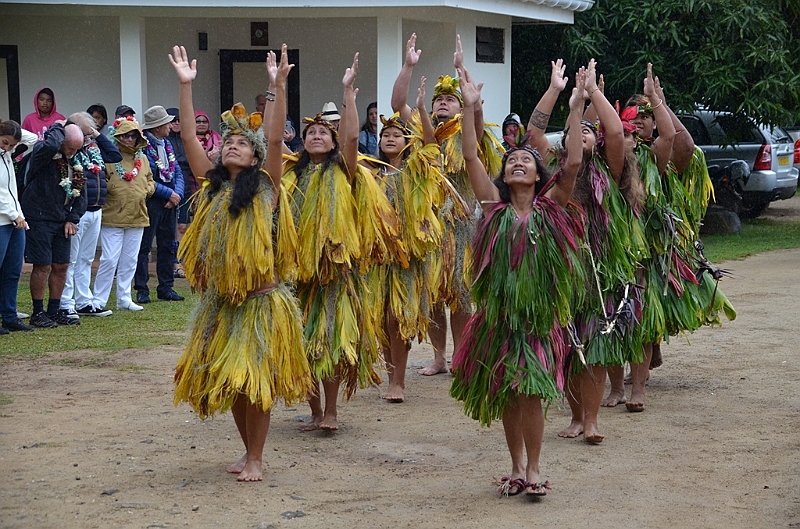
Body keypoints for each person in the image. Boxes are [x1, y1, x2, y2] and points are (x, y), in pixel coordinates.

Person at [170, 44, 311, 482]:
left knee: (255, 382)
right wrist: (186, 86)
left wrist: (277, 86)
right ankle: (247, 449)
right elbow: (188, 138)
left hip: (260, 303)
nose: (232, 147)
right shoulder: (210, 188)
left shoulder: (267, 189)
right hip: (222, 305)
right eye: (227, 143)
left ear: (254, 158)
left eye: (241, 144)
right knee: (232, 384)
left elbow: (275, 138)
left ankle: (257, 457)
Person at [449, 65, 585, 498]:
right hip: (498, 320)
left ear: (538, 174)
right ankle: (516, 466)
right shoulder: (493, 207)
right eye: (512, 161)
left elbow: (574, 161)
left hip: (539, 321)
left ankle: (536, 467)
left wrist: (576, 105)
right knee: (509, 393)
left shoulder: (552, 207)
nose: (519, 162)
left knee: (531, 392)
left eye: (526, 159)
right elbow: (471, 157)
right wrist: (470, 108)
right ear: (504, 177)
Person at [274, 53, 403, 431]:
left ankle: (330, 411)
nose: (316, 135)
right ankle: (315, 412)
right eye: (311, 132)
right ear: (302, 141)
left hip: (335, 273)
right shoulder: (290, 175)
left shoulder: (345, 171)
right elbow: (272, 140)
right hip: (297, 273)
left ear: (332, 143)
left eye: (323, 133)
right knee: (303, 344)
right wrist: (277, 86)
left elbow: (351, 137)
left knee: (328, 340)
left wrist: (348, 92)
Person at [527, 60, 639, 443]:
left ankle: (591, 421)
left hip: (598, 269)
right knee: (567, 343)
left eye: (590, 131)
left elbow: (615, 131)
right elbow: (533, 133)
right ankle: (576, 417)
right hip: (562, 266)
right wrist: (557, 91)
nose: (584, 134)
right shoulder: (555, 170)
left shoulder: (610, 169)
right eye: (578, 131)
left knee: (595, 341)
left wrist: (592, 93)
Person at [391, 33, 502, 376]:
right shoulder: (421, 131)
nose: (442, 103)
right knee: (435, 295)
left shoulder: (468, 134)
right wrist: (408, 65)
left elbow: (476, 116)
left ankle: (460, 356)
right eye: (438, 99)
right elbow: (398, 104)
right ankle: (439, 357)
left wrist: (462, 70)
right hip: (428, 226)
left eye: (449, 99)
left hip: (462, 224)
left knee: (461, 295)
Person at [360, 79, 444, 403]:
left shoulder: (415, 171)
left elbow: (432, 147)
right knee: (382, 319)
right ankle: (391, 376)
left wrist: (421, 108)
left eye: (397, 134)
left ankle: (399, 382)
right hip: (377, 258)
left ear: (408, 141)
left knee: (398, 317)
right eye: (386, 135)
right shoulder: (372, 173)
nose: (390, 138)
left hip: (407, 258)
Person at [21, 122, 86, 327]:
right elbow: (50, 145)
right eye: (70, 147)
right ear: (61, 141)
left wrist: (72, 218)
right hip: (39, 216)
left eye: (77, 149)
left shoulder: (75, 161)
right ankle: (38, 313)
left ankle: (54, 311)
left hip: (62, 218)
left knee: (61, 265)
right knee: (42, 265)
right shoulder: (44, 153)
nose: (73, 152)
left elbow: (82, 194)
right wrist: (58, 127)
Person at [60, 112, 122, 318]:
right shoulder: (69, 151)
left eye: (90, 133)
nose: (88, 138)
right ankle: (66, 302)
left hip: (96, 209)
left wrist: (96, 135)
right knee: (70, 260)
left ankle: (84, 301)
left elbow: (115, 155)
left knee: (86, 258)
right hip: (78, 211)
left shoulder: (94, 148)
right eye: (85, 133)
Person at [90, 117, 155, 313]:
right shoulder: (109, 156)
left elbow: (150, 179)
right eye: (126, 136)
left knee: (130, 260)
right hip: (113, 215)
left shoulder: (142, 159)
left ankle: (124, 298)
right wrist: (114, 188)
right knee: (109, 259)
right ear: (118, 137)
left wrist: (146, 190)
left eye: (133, 136)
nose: (129, 139)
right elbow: (101, 180)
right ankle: (99, 299)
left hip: (137, 214)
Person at [134, 106, 185, 304]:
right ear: (157, 127)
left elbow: (177, 172)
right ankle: (142, 288)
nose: (170, 126)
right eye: (167, 123)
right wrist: (169, 194)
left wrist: (176, 195)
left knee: (168, 245)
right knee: (144, 246)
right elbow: (147, 179)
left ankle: (166, 287)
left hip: (170, 203)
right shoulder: (143, 147)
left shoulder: (167, 144)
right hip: (152, 202)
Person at [0, 119, 36, 333]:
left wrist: (14, 131)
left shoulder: (6, 154)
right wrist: (15, 215)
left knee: (13, 271)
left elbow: (33, 139)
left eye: (12, 145)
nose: (8, 148)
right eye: (4, 142)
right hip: (4, 220)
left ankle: (9, 316)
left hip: (15, 220)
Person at [166, 107, 196, 279]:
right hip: (168, 187)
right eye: (173, 120)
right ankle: (171, 262)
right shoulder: (164, 140)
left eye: (179, 120)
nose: (176, 123)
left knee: (182, 226)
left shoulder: (186, 138)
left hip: (185, 187)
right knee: (168, 227)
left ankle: (179, 260)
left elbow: (191, 160)